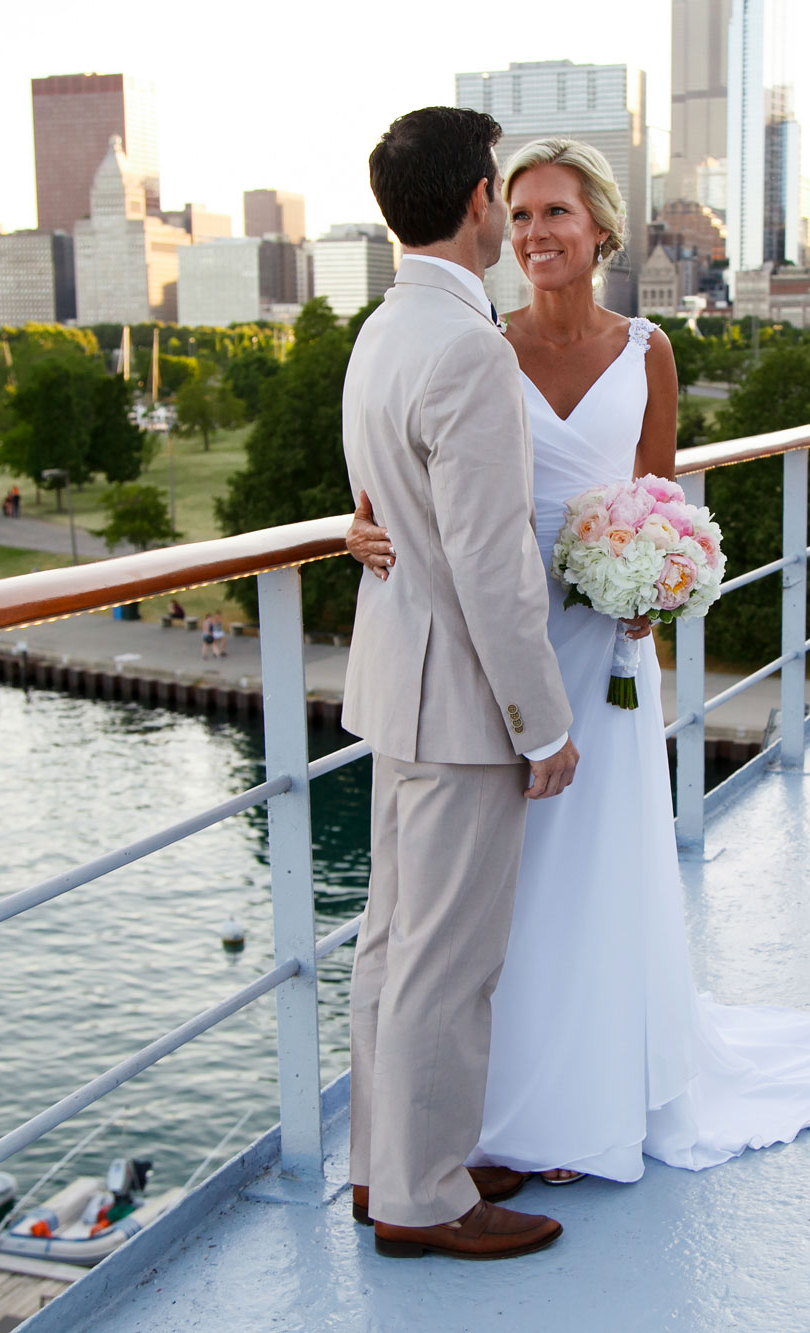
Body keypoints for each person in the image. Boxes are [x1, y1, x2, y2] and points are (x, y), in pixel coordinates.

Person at [346, 135, 810, 1196]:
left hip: (600, 651)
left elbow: (655, 493)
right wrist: (358, 533)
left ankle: (569, 1102)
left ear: (601, 228)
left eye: (554, 214)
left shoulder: (646, 347)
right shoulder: (475, 341)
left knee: (578, 882)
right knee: (476, 912)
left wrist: (657, 584)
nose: (532, 234)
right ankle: (469, 1130)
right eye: (515, 216)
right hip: (496, 652)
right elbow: (409, 487)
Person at [339, 106, 579, 1264]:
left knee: (390, 943)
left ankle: (382, 1163)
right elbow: (492, 564)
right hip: (459, 701)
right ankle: (425, 1197)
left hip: (394, 684)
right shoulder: (470, 346)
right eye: (500, 190)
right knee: (446, 962)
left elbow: (390, 510)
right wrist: (543, 723)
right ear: (480, 201)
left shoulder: (379, 331)